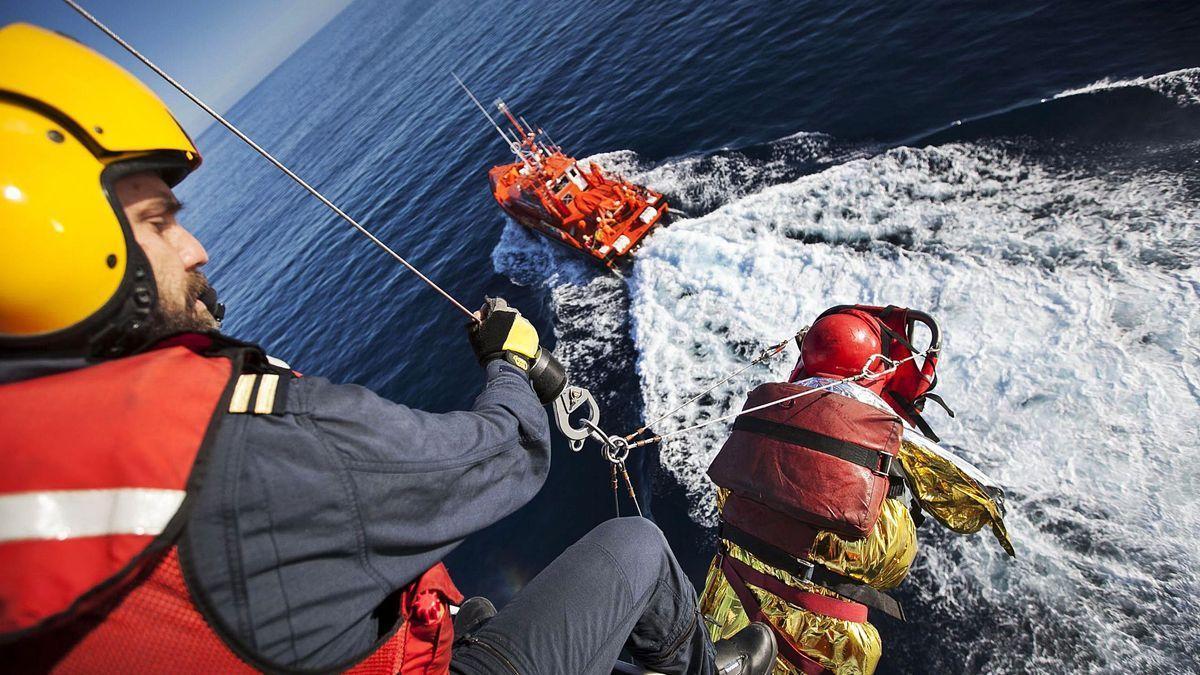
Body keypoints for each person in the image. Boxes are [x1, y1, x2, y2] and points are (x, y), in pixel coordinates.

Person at [0, 23, 776, 675]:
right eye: (160, 221)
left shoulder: (35, 495)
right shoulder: (231, 442)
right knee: (637, 545)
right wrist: (509, 365)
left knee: (474, 604)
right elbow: (501, 455)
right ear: (67, 250)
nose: (196, 246)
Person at [699, 306, 1014, 674]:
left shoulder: (764, 411)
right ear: (877, 367)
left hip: (726, 600)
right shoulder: (891, 436)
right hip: (827, 636)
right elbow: (972, 508)